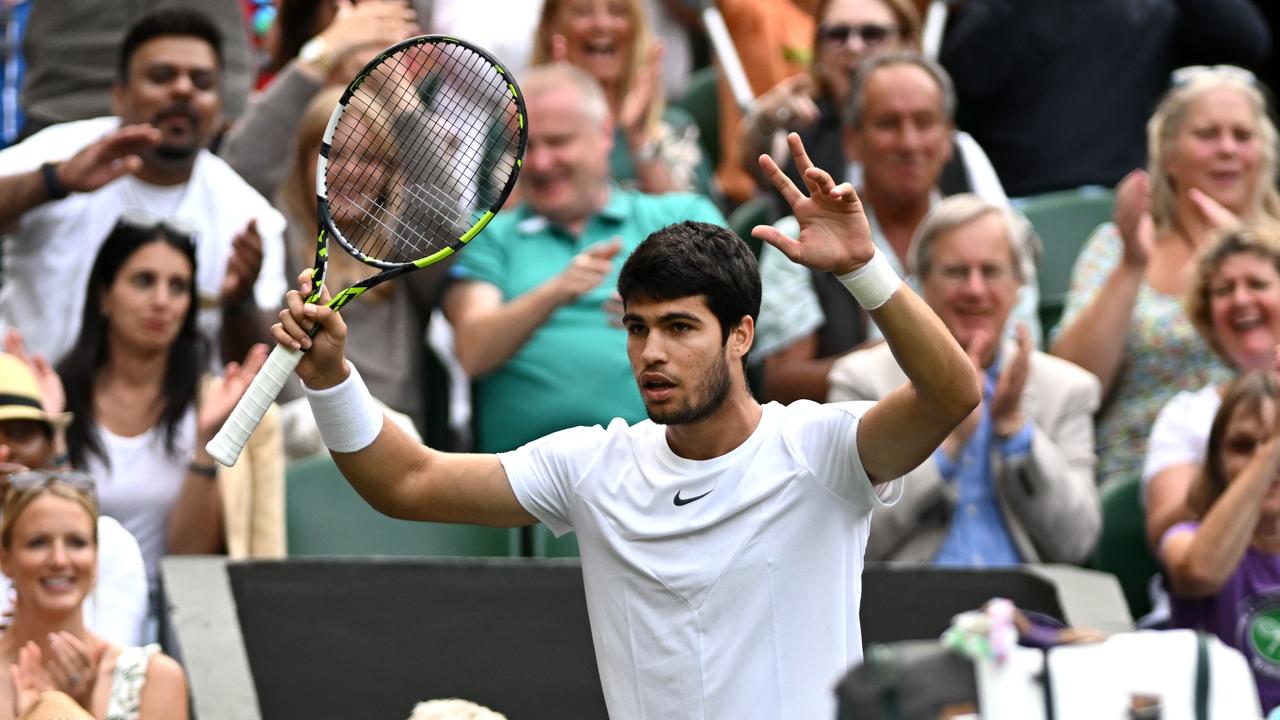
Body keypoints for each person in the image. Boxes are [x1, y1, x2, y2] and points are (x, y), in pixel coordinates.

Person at [273, 132, 980, 719]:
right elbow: (407, 481)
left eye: (679, 327)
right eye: (638, 328)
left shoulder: (822, 449)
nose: (653, 353)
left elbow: (952, 395)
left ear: (741, 336)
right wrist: (334, 377)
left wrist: (864, 271)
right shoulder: (593, 465)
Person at [443, 63, 726, 454]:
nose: (541, 163)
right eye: (526, 145)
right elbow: (473, 351)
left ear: (604, 134)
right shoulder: (488, 232)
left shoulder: (677, 216)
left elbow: (737, 323)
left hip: (666, 468)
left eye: (558, 142)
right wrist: (558, 290)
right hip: (526, 484)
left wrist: (656, 311)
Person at [0, 8, 287, 367]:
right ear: (119, 96)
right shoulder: (58, 153)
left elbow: (259, 371)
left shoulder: (250, 217)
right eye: (162, 76)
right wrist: (52, 182)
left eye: (201, 82)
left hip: (189, 420)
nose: (183, 90)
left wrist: (239, 301)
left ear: (219, 109)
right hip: (30, 412)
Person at [829, 194, 1100, 565]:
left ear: (1019, 285)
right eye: (956, 272)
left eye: (991, 271)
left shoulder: (1068, 389)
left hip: (1029, 609)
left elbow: (1077, 543)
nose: (975, 290)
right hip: (908, 606)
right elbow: (842, 535)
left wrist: (1016, 431)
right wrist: (948, 439)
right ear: (921, 281)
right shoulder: (862, 381)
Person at [1051, 66, 1280, 488]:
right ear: (1169, 154)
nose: (1227, 149)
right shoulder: (1118, 243)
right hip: (1136, 474)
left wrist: (1243, 255)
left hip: (1264, 469)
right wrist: (1132, 266)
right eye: (1208, 135)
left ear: (1264, 153)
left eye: (1242, 136)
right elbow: (1074, 384)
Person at [755, 50, 1028, 404]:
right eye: (888, 124)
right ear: (852, 141)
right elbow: (779, 386)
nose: (909, 143)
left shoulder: (998, 236)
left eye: (924, 122)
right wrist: (913, 353)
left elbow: (1023, 358)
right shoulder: (801, 237)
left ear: (949, 138)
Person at [56, 215, 278, 631]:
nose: (162, 301)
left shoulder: (211, 404)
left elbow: (189, 558)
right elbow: (49, 533)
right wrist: (50, 433)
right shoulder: (57, 397)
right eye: (143, 281)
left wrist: (205, 443)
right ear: (104, 295)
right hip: (70, 613)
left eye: (178, 287)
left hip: (175, 623)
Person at [938, 0, 1270, 197]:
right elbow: (952, 99)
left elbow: (1244, 41)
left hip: (1132, 203)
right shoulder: (1002, 11)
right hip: (1020, 209)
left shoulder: (1152, 10)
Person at [740, 0, 1004, 218]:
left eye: (872, 34)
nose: (854, 46)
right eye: (837, 34)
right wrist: (763, 120)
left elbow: (1007, 244)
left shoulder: (957, 148)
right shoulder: (800, 134)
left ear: (908, 44)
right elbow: (754, 164)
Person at [0, 471, 188, 719]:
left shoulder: (153, 679)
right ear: (6, 560)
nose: (59, 559)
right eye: (38, 543)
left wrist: (81, 710)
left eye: (76, 542)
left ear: (96, 559)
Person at [0, 346, 147, 648]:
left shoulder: (111, 542)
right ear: (6, 560)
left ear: (48, 444)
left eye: (21, 433)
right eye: (37, 543)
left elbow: (116, 667)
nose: (4, 452)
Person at [1146, 226, 1280, 550]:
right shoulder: (1186, 414)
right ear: (1208, 316)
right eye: (1223, 290)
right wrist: (1241, 463)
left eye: (1258, 284)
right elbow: (1163, 528)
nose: (1241, 299)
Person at [1160, 370, 1280, 713]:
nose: (1265, 461)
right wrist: (1271, 449)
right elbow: (1199, 573)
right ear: (1216, 462)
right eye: (1243, 446)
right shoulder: (1183, 539)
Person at [218, 0, 421, 198]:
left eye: (385, 17)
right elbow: (231, 179)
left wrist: (396, 84)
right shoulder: (268, 119)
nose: (366, 26)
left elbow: (445, 218)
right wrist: (327, 49)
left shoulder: (410, 122)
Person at [528, 0, 711, 195]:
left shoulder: (674, 127)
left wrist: (638, 138)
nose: (602, 24)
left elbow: (697, 221)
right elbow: (502, 221)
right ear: (550, 28)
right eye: (582, 12)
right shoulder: (518, 126)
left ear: (636, 28)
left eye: (617, 11)